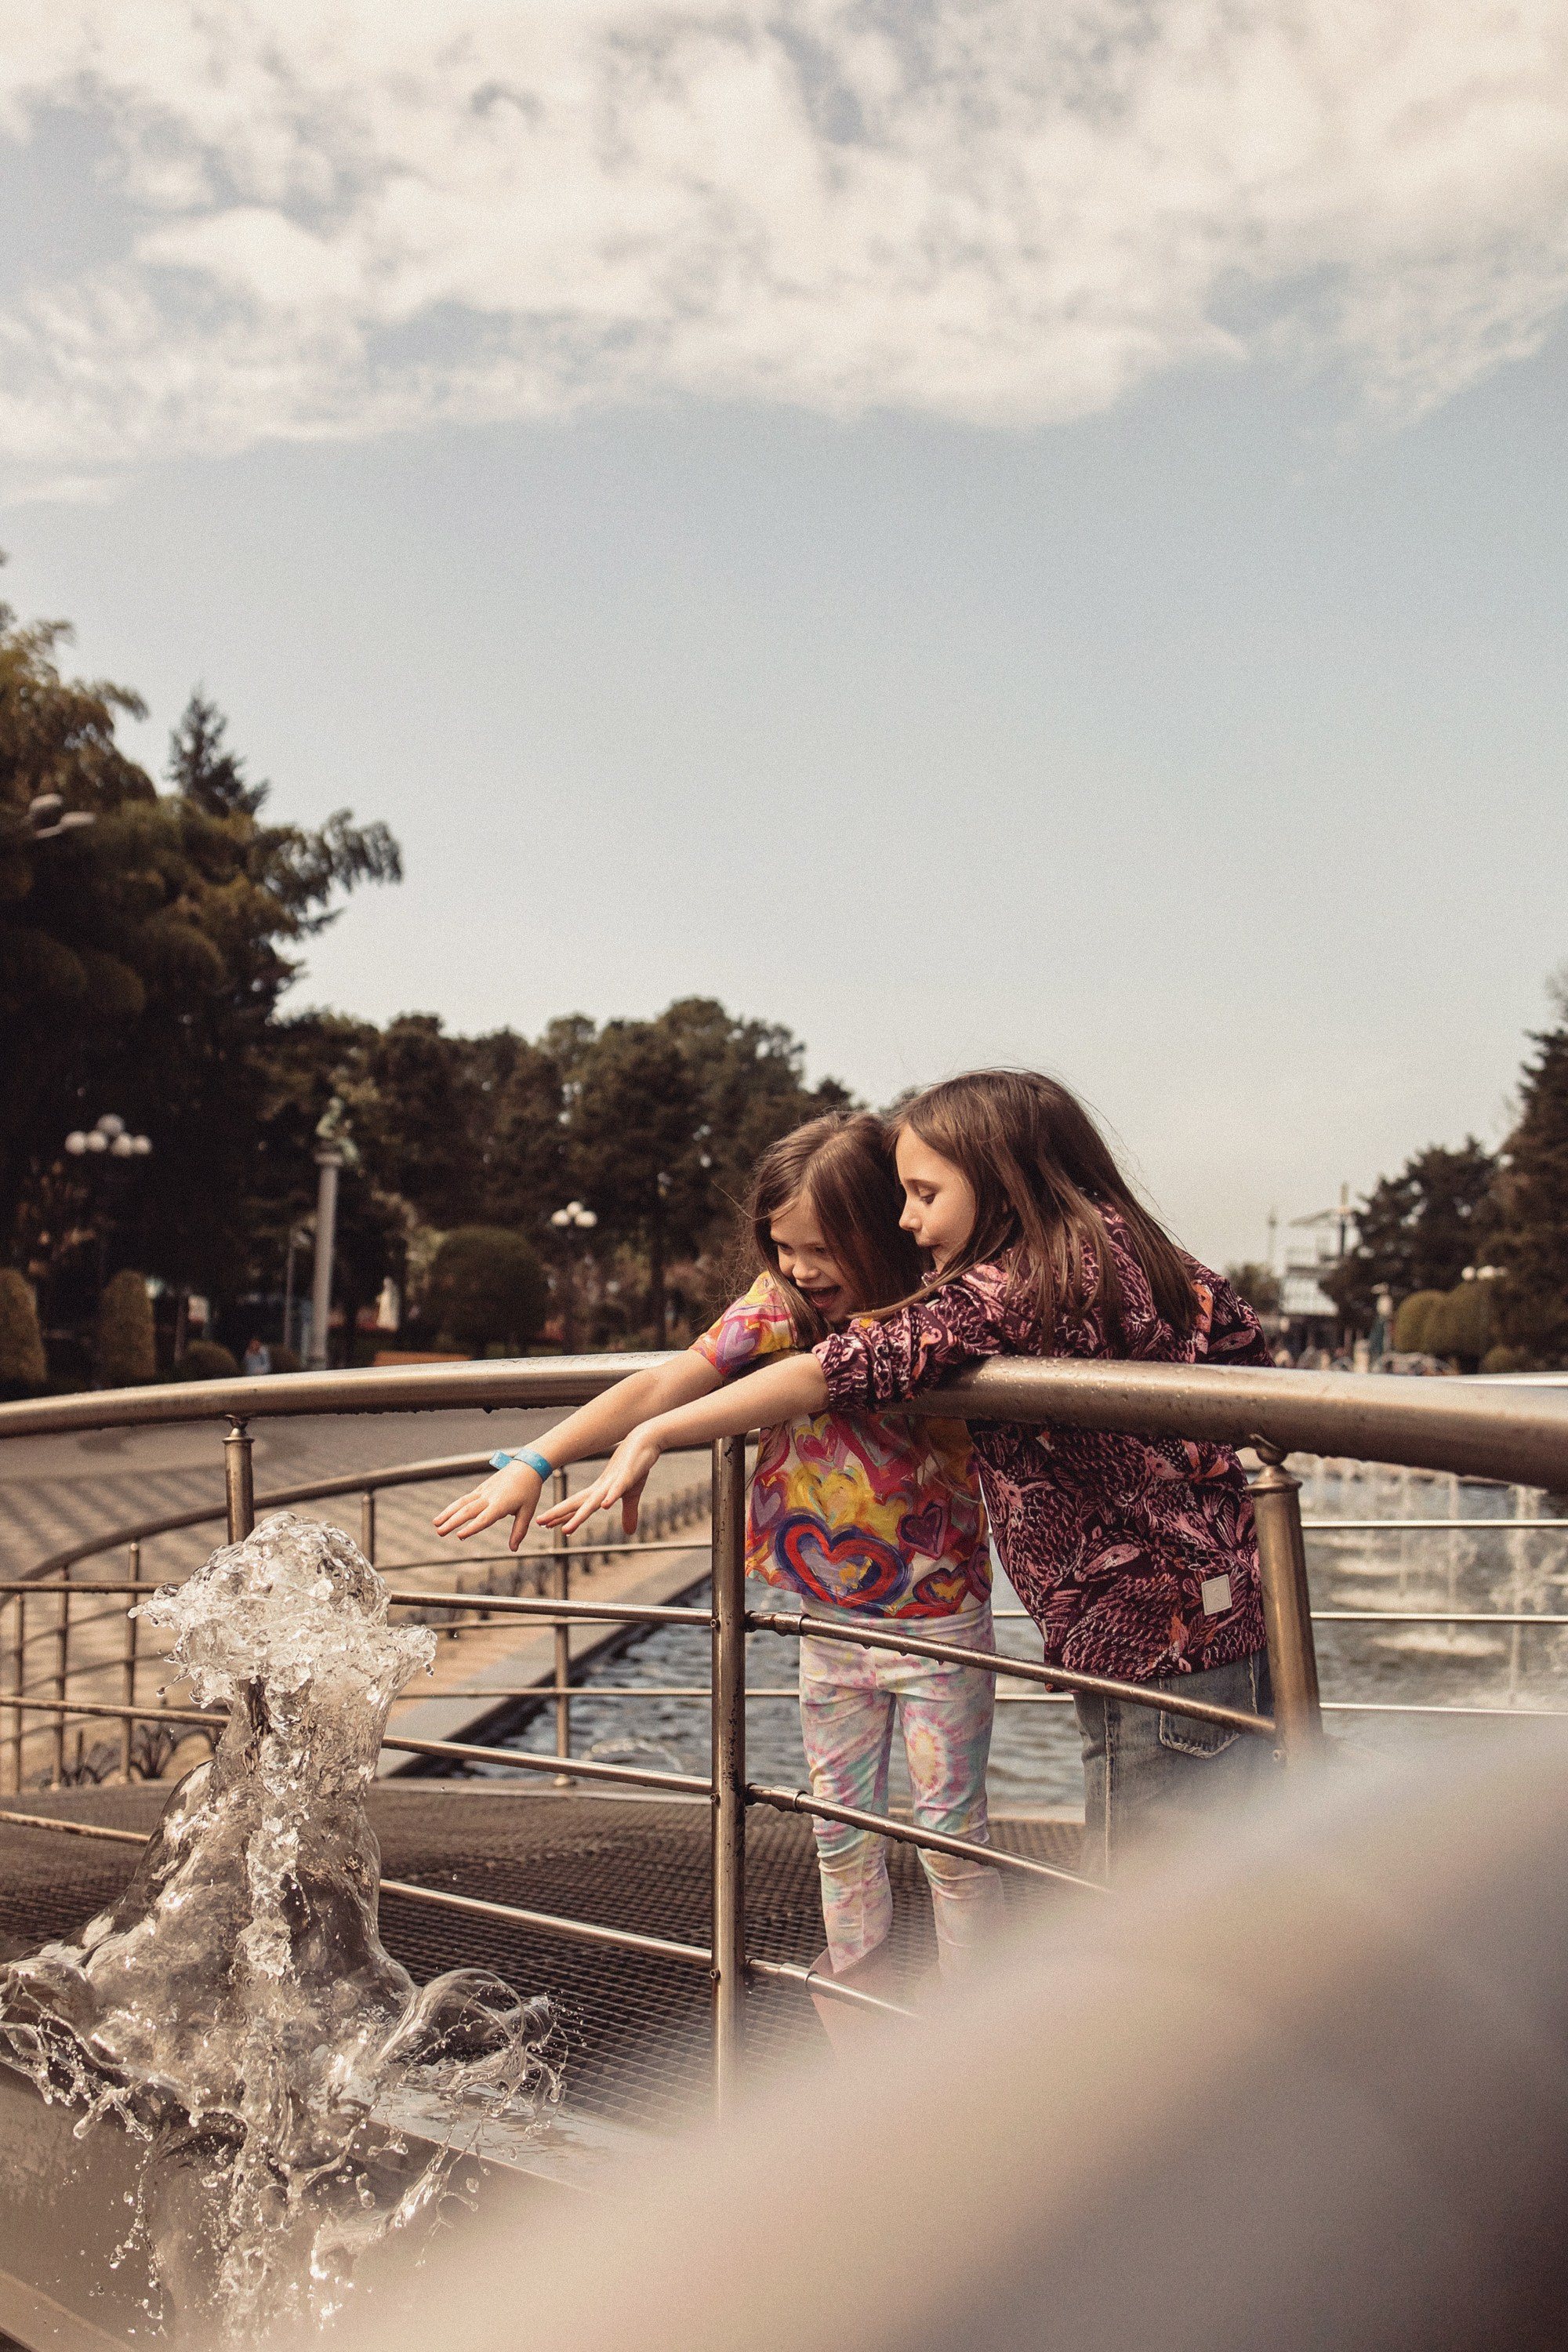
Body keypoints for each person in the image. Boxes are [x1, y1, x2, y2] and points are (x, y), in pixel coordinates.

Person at [553, 1071, 1279, 1883]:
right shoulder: (1130, 1246)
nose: (906, 1218)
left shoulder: (1023, 1276)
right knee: (1215, 1894)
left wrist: (661, 1430)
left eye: (923, 1193)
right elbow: (1244, 1344)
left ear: (1003, 1180)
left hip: (1155, 1645)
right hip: (1215, 1621)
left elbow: (843, 1365)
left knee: (1152, 1908)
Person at [432, 1112, 1002, 2018]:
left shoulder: (945, 1307)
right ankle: (857, 2030)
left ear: (877, 1224)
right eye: (782, 1248)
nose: (802, 1269)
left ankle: (981, 2035)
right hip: (826, 1620)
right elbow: (665, 1381)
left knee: (951, 1842)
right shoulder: (781, 1306)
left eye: (821, 1248)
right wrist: (540, 1458)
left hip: (935, 1622)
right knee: (838, 1837)